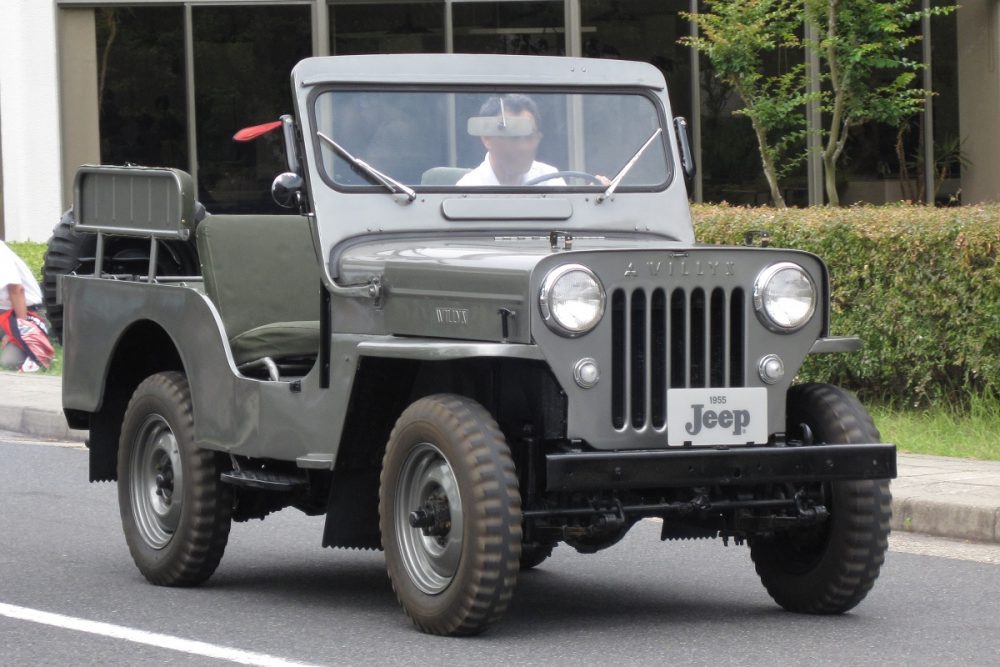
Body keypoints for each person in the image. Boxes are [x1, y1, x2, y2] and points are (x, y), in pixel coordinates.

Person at [457, 94, 565, 187]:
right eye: (514, 137)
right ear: (487, 138)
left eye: (529, 137)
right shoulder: (467, 190)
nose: (524, 147)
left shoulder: (549, 180)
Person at [0, 240, 52, 372]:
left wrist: (18, 333)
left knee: (10, 362)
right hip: (4, 313)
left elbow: (17, 290)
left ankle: (32, 346)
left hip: (27, 314)